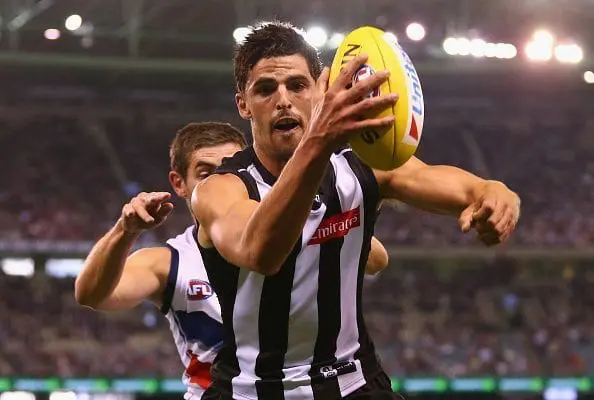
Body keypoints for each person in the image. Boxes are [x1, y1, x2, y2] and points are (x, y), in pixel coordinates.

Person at [193, 22, 521, 400]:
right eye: (265, 89)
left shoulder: (358, 165)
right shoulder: (220, 189)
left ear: (320, 90)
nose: (283, 99)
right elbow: (261, 252)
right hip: (250, 391)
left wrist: (495, 192)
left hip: (353, 383)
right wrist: (318, 140)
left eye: (297, 85)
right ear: (243, 105)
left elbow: (458, 187)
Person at [74, 122, 390, 399]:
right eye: (205, 173)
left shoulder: (295, 230)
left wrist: (319, 221)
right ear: (178, 183)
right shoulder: (171, 261)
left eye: (230, 169)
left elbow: (376, 260)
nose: (220, 181)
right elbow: (91, 294)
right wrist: (124, 231)